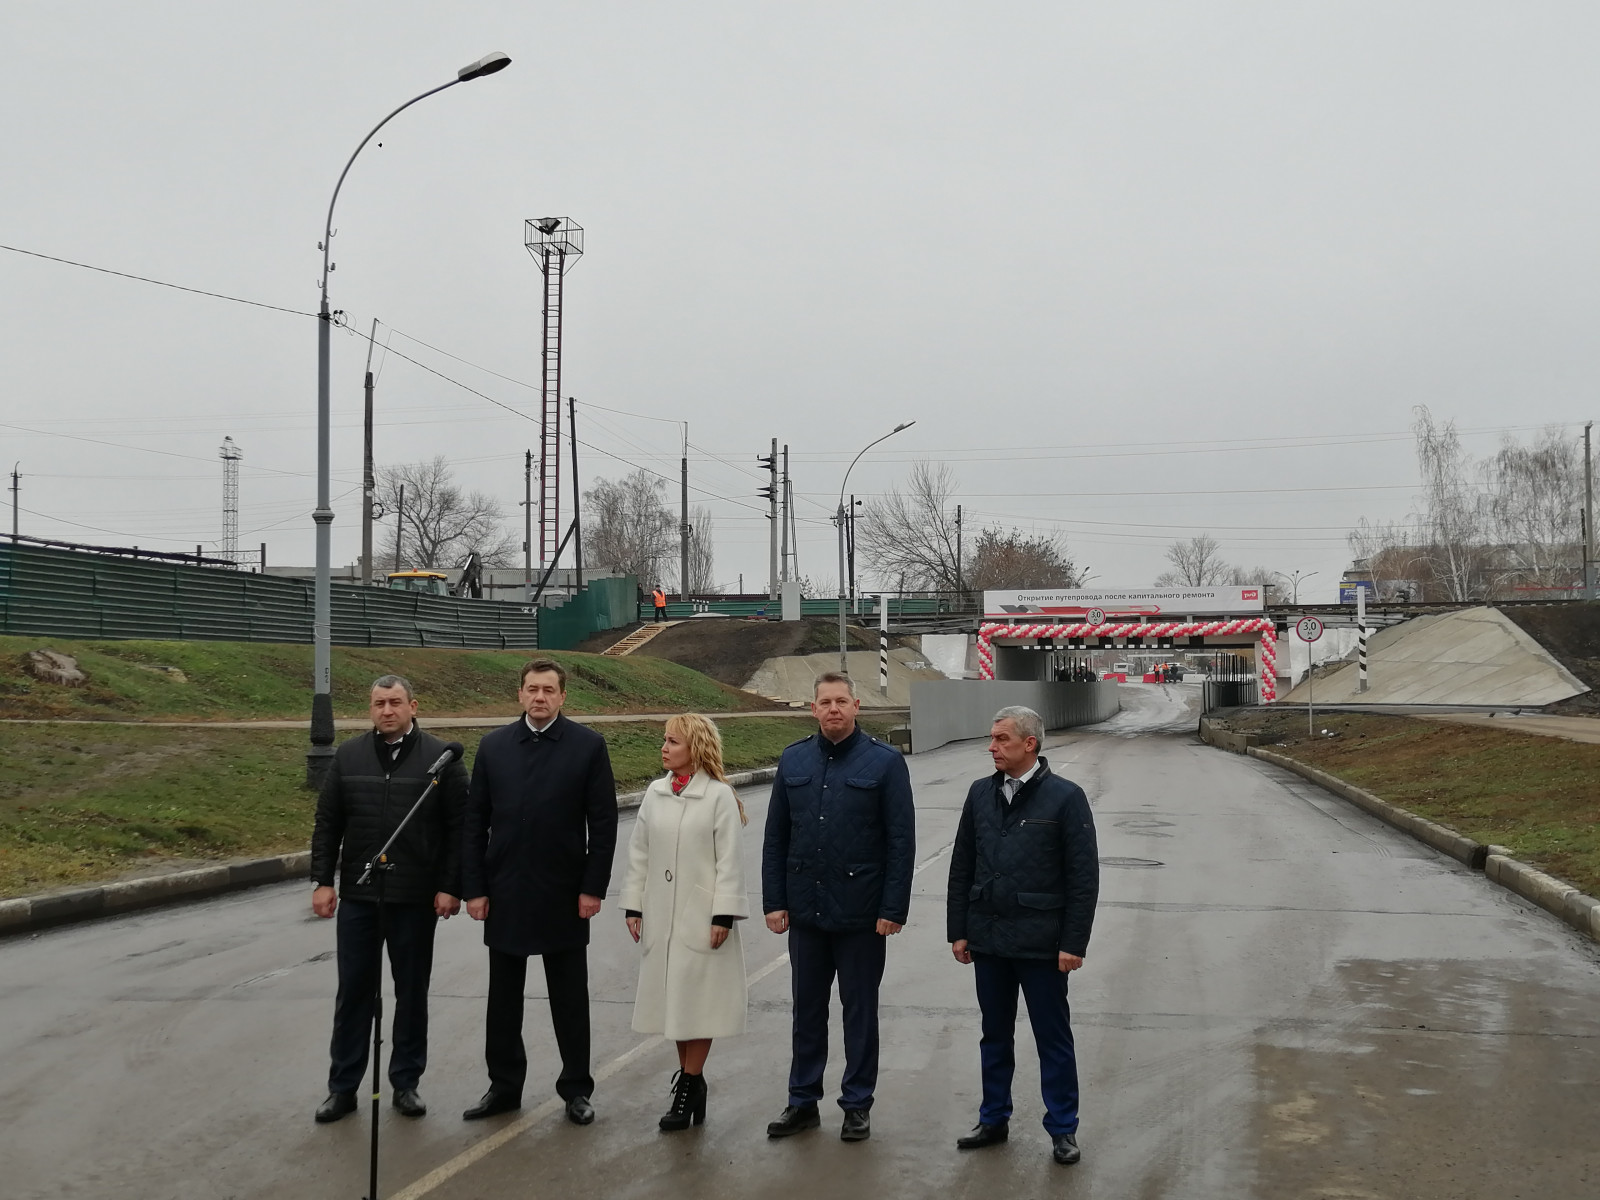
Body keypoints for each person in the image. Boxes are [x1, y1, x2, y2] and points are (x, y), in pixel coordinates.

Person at [460, 657, 619, 1126]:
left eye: (549, 690)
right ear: (520, 694)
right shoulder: (493, 747)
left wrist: (593, 887)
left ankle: (576, 1088)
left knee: (569, 998)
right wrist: (475, 888)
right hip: (505, 890)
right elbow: (475, 823)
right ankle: (504, 1086)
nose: (540, 697)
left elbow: (604, 824)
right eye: (532, 689)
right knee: (503, 1000)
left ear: (563, 696)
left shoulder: (588, 746)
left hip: (564, 892)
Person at [761, 672, 915, 1143]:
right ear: (813, 708)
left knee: (858, 1011)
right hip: (806, 913)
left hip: (862, 915)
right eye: (824, 702)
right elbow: (775, 838)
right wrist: (775, 901)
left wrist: (893, 908)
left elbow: (900, 842)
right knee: (806, 1011)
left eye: (841, 701)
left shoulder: (885, 763)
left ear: (856, 706)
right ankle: (802, 1100)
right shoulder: (794, 760)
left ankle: (856, 1104)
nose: (833, 709)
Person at [308, 674, 467, 1124]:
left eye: (396, 702)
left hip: (415, 897)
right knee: (354, 992)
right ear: (370, 708)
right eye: (379, 703)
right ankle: (342, 1088)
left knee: (411, 992)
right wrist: (323, 880)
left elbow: (461, 828)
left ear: (413, 706)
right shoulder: (349, 755)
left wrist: (450, 885)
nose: (387, 711)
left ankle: (405, 1083)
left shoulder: (442, 758)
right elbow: (328, 822)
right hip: (360, 897)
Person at [946, 705, 1099, 1166]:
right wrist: (959, 930)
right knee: (994, 1035)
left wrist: (1073, 943)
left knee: (1052, 1037)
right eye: (992, 739)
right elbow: (961, 867)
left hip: (1042, 945)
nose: (991, 747)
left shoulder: (1065, 798)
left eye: (1001, 739)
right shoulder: (979, 795)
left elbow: (1083, 877)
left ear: (1029, 744)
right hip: (989, 940)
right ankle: (993, 1118)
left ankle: (1063, 1129)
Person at [619, 713, 750, 1131]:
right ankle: (693, 1083)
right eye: (664, 740)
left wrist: (723, 913)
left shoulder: (718, 796)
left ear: (694, 748)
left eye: (673, 741)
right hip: (662, 915)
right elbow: (639, 853)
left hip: (702, 917)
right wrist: (634, 906)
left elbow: (730, 860)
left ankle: (689, 1085)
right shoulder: (656, 793)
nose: (664, 747)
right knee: (676, 1004)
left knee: (699, 1003)